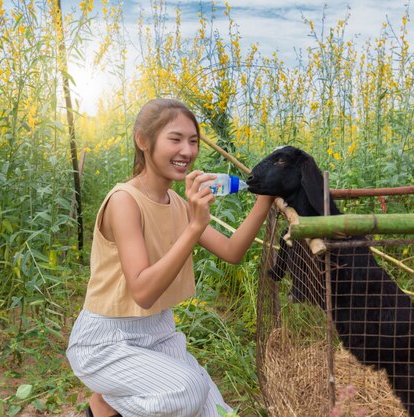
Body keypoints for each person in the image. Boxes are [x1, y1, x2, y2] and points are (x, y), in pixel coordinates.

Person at [66, 98, 275, 417]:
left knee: (216, 411)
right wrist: (194, 227)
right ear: (143, 140)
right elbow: (143, 292)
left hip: (159, 333)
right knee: (187, 390)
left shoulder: (177, 204)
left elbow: (232, 252)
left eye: (193, 141)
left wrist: (265, 197)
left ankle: (112, 404)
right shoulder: (125, 201)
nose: (187, 151)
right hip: (107, 342)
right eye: (175, 139)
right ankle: (104, 404)